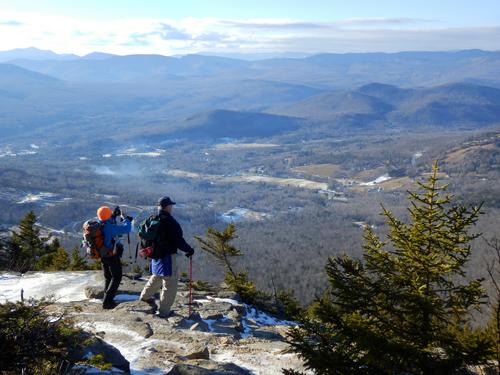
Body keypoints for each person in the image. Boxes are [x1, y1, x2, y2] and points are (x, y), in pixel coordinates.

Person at [139, 196, 194, 318]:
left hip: (155, 256)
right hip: (167, 256)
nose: (172, 207)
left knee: (157, 276)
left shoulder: (152, 219)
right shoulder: (170, 221)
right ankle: (164, 312)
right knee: (170, 283)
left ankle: (144, 297)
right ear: (167, 207)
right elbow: (178, 240)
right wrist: (189, 250)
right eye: (171, 205)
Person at [97, 205, 133, 309]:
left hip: (103, 255)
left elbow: (107, 220)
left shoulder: (100, 224)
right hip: (111, 255)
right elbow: (127, 228)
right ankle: (107, 302)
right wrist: (125, 218)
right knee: (117, 277)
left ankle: (106, 299)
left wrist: (113, 215)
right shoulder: (109, 227)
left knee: (108, 277)